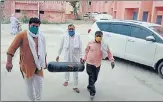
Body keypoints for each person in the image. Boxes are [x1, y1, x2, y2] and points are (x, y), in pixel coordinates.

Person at [6, 17, 47, 101]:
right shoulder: (22, 35)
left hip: (38, 66)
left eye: (37, 26)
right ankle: (32, 100)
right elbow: (11, 49)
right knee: (29, 87)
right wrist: (9, 62)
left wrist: (45, 62)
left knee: (39, 85)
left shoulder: (41, 36)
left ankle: (38, 100)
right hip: (26, 66)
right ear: (29, 25)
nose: (35, 28)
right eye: (33, 26)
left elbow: (44, 51)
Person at [82, 31, 115, 100]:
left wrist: (112, 60)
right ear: (95, 36)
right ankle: (92, 92)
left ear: (102, 37)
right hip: (89, 63)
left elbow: (109, 53)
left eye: (100, 36)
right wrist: (84, 59)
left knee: (95, 78)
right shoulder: (90, 43)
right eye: (97, 36)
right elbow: (86, 51)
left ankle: (89, 86)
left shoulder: (104, 44)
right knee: (91, 77)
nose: (99, 37)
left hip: (97, 64)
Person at [56, 24, 83, 93]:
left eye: (72, 29)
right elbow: (61, 46)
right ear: (67, 29)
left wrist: (81, 57)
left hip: (75, 57)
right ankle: (66, 80)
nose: (71, 30)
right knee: (66, 69)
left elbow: (81, 47)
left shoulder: (78, 36)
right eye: (69, 29)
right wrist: (58, 55)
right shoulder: (64, 36)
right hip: (67, 56)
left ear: (74, 29)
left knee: (75, 71)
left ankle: (75, 86)